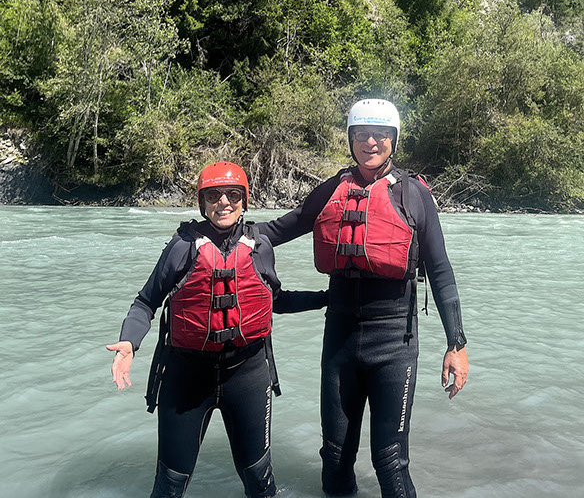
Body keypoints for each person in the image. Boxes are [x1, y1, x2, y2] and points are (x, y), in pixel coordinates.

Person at [256, 99, 469, 498]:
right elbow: (279, 229)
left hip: (394, 343)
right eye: (362, 134)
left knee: (390, 461)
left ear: (393, 140)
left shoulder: (414, 195)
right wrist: (226, 233)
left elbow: (440, 270)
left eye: (381, 134)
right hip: (340, 337)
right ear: (351, 139)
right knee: (335, 460)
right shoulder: (332, 190)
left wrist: (456, 344)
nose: (371, 142)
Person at [106, 161, 324, 498]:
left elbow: (275, 300)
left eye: (233, 194)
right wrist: (129, 342)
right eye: (213, 195)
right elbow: (146, 302)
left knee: (260, 482)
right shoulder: (181, 247)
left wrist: (326, 298)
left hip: (248, 375)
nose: (223, 202)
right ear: (202, 202)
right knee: (169, 486)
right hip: (187, 377)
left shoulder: (260, 245)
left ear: (244, 200)